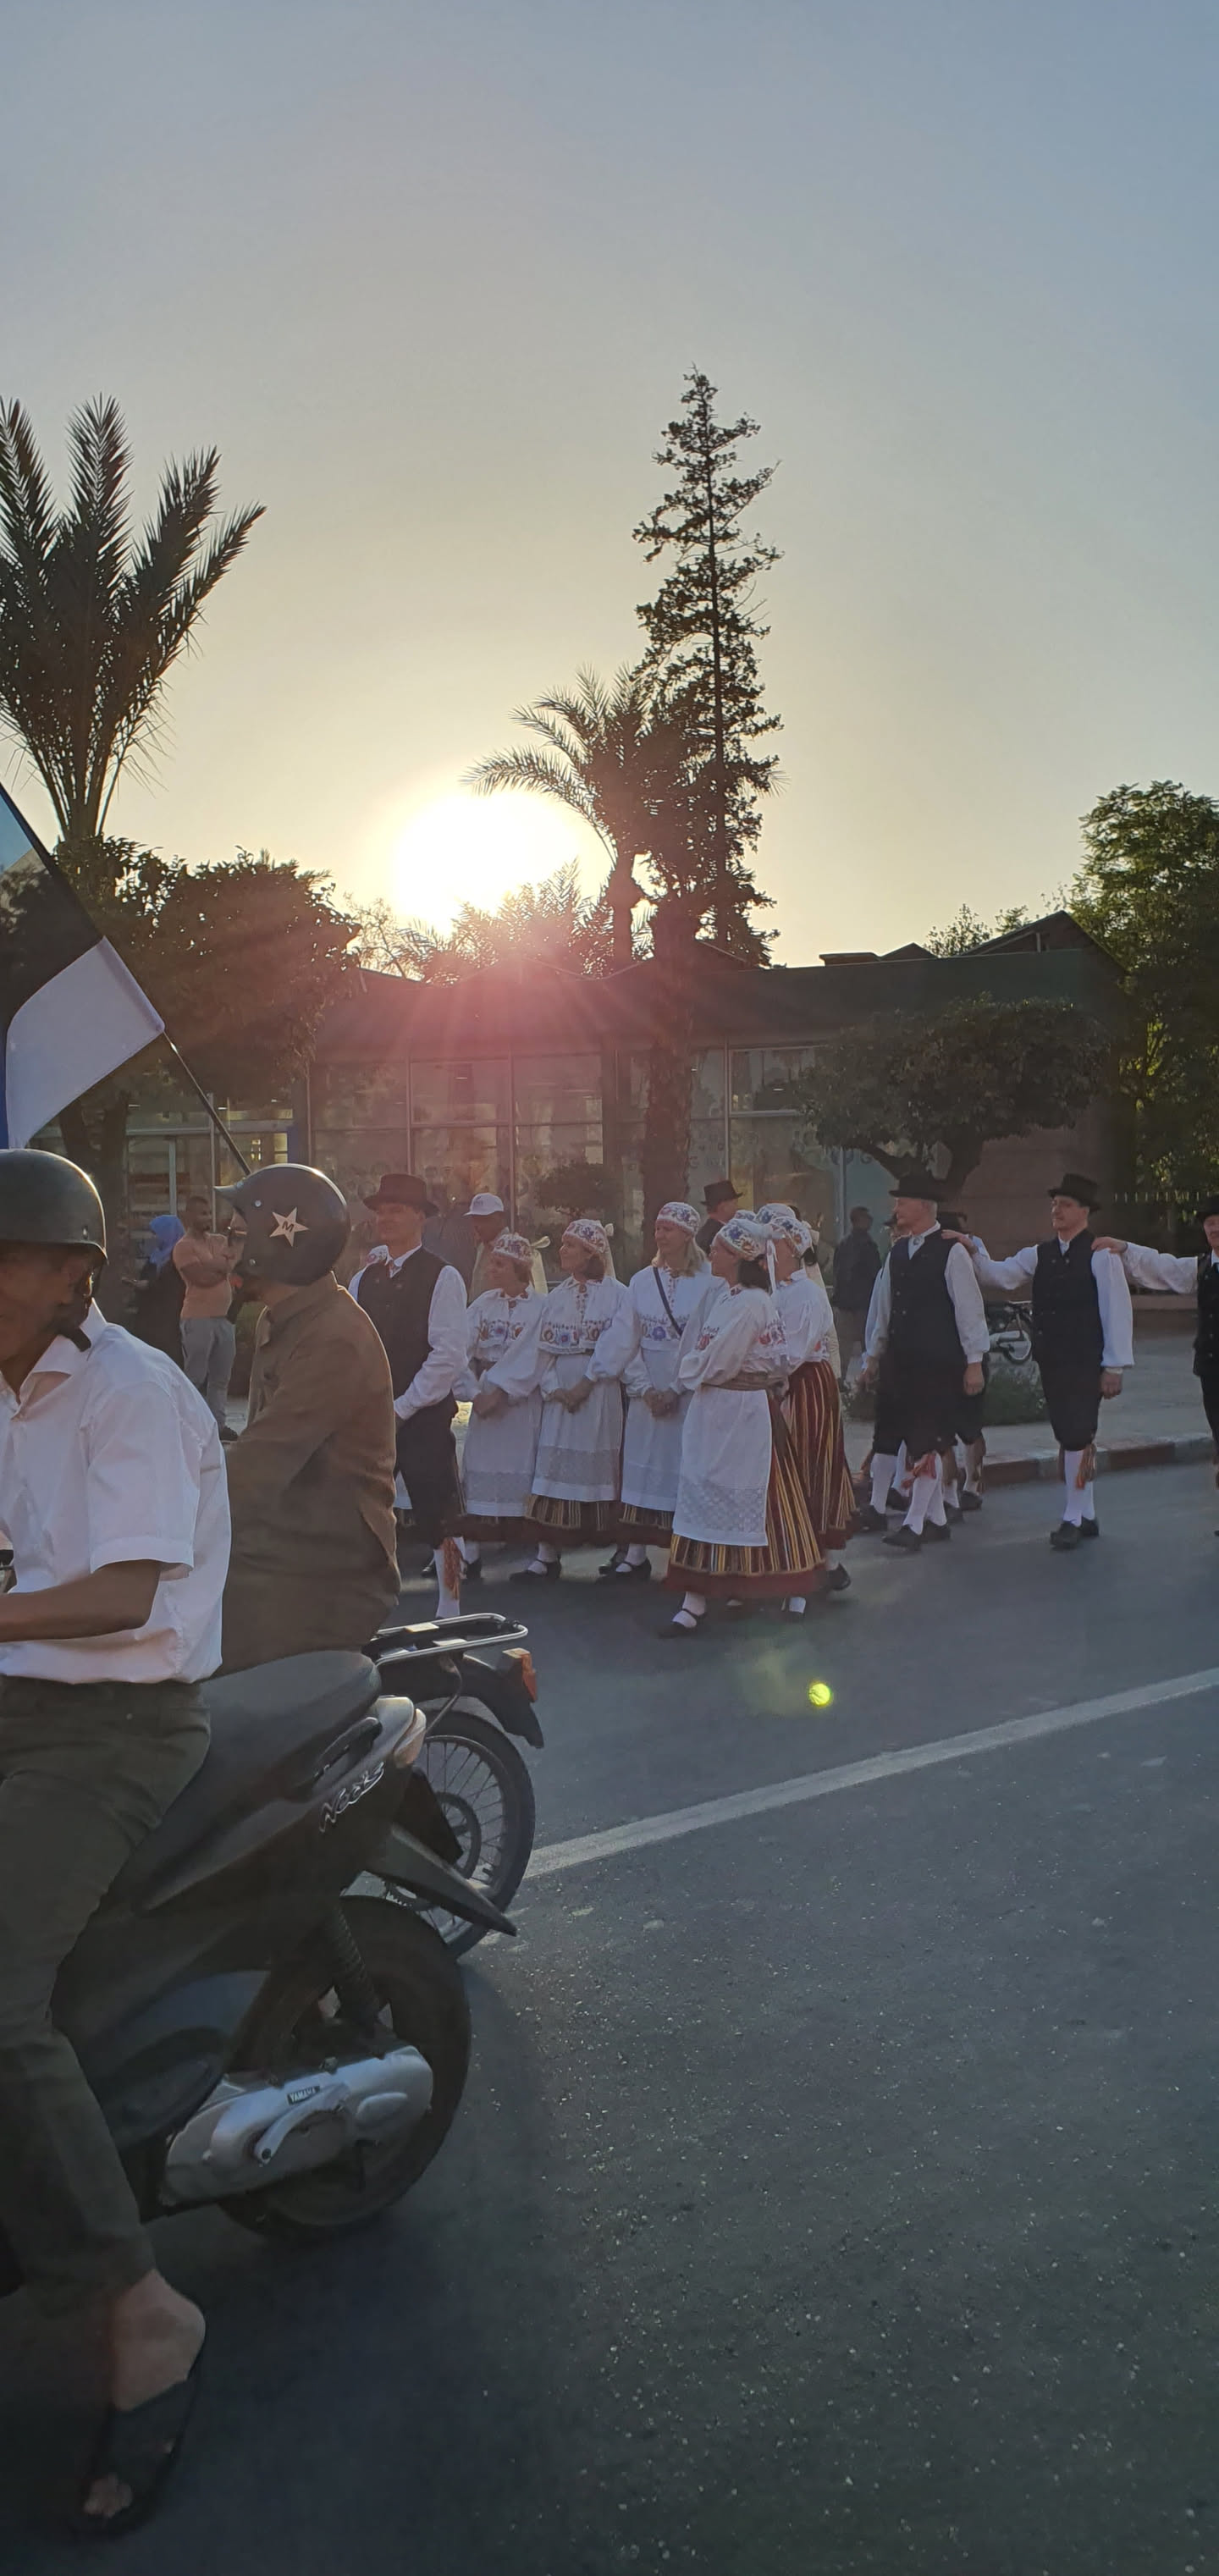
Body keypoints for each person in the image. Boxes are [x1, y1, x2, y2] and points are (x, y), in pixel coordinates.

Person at [0, 1149, 228, 2534]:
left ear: (71, 1274)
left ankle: (141, 2305)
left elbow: (122, 1590)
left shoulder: (128, 1390)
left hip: (115, 1728)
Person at [219, 1164, 400, 1669]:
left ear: (276, 1245)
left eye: (236, 1236)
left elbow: (258, 1467)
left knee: (186, 1654)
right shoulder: (284, 1320)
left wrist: (165, 1516)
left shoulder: (332, 1339)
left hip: (327, 1573)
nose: (224, 1249)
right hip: (283, 1547)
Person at [662, 1212, 822, 1633]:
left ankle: (789, 1586)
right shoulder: (728, 1298)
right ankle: (698, 1597)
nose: (710, 1253)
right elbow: (705, 1352)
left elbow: (719, 1359)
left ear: (736, 1256)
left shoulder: (752, 1303)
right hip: (717, 1412)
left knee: (765, 1499)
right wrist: (697, 1367)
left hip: (743, 1414)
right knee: (707, 1494)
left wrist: (692, 1371)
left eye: (717, 1248)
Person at [957, 1172, 1134, 1552]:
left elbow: (1116, 1310)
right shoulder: (1040, 1253)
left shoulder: (1100, 1255)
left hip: (1086, 1360)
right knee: (1068, 1433)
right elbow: (1001, 1276)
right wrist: (972, 1249)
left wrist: (1115, 1366)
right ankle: (1086, 1514)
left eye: (1065, 1205)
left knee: (1077, 1433)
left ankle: (1072, 1516)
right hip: (1052, 1358)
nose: (1057, 1210)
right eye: (1055, 1204)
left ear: (1084, 1211)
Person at [349, 1172, 468, 1619]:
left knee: (441, 1514)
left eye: (396, 1210)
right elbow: (353, 1347)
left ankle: (451, 1606)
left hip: (424, 1417)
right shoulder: (363, 1279)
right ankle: (361, 1602)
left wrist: (404, 1407)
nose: (385, 1218)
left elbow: (448, 1355)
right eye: (381, 1210)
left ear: (420, 1217)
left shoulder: (443, 1277)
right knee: (359, 1511)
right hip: (373, 1417)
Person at [860, 1172, 990, 1554]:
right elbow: (884, 1311)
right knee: (896, 1432)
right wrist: (873, 1357)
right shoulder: (898, 1253)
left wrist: (974, 1361)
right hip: (900, 1361)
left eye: (902, 1202)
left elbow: (969, 1310)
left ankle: (914, 1523)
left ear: (923, 1206)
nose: (896, 1208)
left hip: (937, 1362)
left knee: (927, 1439)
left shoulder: (951, 1252)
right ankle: (935, 1521)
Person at [598, 1200, 710, 1580]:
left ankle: (687, 1552)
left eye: (668, 1229)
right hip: (648, 1385)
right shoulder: (643, 1281)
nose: (660, 1235)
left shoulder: (709, 1282)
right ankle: (635, 1552)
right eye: (658, 1228)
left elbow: (707, 1341)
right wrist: (644, 1387)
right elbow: (626, 1337)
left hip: (687, 1388)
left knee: (683, 1465)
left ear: (687, 1235)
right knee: (642, 1468)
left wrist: (676, 1388)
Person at [1091, 1197, 1219, 1525]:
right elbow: (1164, 1268)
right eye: (1209, 1223)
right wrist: (1125, 1248)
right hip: (1211, 1368)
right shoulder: (1202, 1267)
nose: (1214, 1228)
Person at [521, 1219, 632, 1579]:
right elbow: (541, 1349)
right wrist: (553, 1387)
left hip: (599, 1391)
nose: (562, 1251)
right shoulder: (556, 1297)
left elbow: (621, 1344)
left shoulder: (619, 1295)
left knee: (604, 1467)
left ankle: (622, 1551)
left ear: (591, 1253)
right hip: (560, 1394)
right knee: (552, 1466)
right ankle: (547, 1553)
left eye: (570, 1246)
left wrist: (587, 1382)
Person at [760, 1205, 856, 1594]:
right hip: (781, 1382)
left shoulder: (807, 1294)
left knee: (810, 1464)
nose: (768, 1251)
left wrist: (762, 1377)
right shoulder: (773, 1292)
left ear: (792, 1250)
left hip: (805, 1386)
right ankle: (793, 1556)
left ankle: (818, 1557)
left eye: (775, 1245)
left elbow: (792, 1352)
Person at [455, 1231, 544, 1575]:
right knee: (478, 1468)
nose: (491, 1270)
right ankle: (472, 1551)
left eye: (499, 1264)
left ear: (520, 1268)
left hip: (520, 1401)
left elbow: (538, 1355)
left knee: (524, 1465)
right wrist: (474, 1393)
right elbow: (458, 1350)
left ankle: (533, 1545)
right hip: (485, 1395)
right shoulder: (483, 1305)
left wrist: (504, 1391)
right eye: (491, 1263)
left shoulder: (541, 1308)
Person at [935, 1206, 988, 1516]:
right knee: (946, 1425)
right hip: (943, 1350)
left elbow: (988, 1276)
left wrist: (975, 1359)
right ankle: (950, 1490)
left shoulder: (968, 1250)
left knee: (969, 1426)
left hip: (968, 1349)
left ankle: (973, 1483)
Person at [172, 1191, 238, 1437]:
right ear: (189, 1216)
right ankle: (189, 1426)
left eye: (209, 1213)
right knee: (195, 1377)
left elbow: (233, 1263)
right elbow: (201, 1279)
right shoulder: (183, 1247)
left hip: (225, 1318)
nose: (207, 1218)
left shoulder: (220, 1241)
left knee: (221, 1377)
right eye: (202, 1214)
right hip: (197, 1319)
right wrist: (222, 1268)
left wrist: (216, 1268)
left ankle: (217, 1426)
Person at [830, 1205, 881, 1383]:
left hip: (846, 1303)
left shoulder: (844, 1244)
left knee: (842, 1349)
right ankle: (870, 1382)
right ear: (859, 1220)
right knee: (870, 1346)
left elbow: (838, 1273)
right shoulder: (868, 1246)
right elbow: (875, 1274)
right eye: (867, 1218)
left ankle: (839, 1382)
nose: (870, 1221)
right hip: (863, 1305)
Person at [130, 1212, 185, 1364]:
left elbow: (173, 1287)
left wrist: (149, 1285)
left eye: (156, 1234)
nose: (153, 1238)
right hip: (150, 1321)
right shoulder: (155, 1256)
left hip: (170, 1323)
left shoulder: (180, 1258)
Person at [467, 1191, 510, 1301]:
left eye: (484, 1219)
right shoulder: (482, 1247)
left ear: (500, 1218)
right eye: (475, 1219)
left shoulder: (512, 1249)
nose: (477, 1226)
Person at [696, 1178, 742, 1255]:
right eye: (734, 1203)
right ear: (723, 1207)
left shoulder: (709, 1229)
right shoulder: (718, 1234)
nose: (737, 1207)